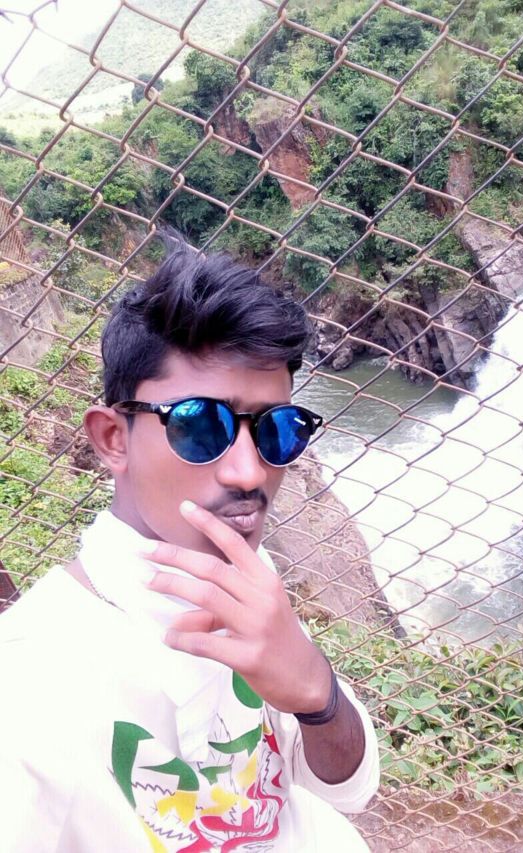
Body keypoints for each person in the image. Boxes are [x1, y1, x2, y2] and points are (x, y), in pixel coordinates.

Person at [0, 246, 379, 852]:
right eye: (200, 425)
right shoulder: (30, 682)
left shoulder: (248, 576)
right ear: (112, 438)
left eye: (278, 429)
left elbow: (346, 791)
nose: (249, 472)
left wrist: (316, 691)